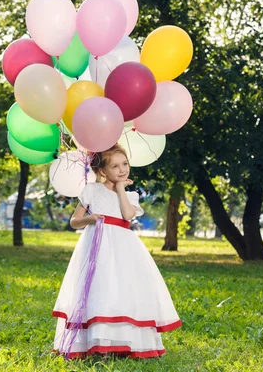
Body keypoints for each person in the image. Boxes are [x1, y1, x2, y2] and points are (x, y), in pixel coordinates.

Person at [52, 144, 181, 359]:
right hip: (96, 246)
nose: (122, 170)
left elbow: (128, 215)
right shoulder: (91, 190)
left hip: (123, 249)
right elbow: (74, 222)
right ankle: (98, 341)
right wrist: (89, 219)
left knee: (123, 288)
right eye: (115, 166)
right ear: (103, 171)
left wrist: (121, 189)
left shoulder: (130, 195)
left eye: (125, 164)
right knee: (100, 289)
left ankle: (125, 340)